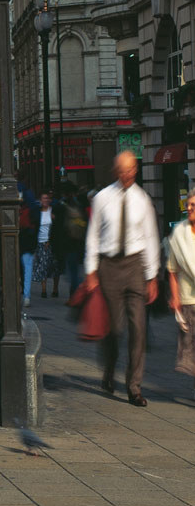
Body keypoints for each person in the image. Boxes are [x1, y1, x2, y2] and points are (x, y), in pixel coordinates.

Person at [84, 151, 162, 407]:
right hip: (109, 266)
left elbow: (151, 237)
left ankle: (134, 387)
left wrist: (152, 276)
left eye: (131, 170)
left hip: (135, 266)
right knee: (115, 329)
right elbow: (93, 235)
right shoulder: (102, 198)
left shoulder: (143, 200)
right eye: (123, 171)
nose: (128, 175)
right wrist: (91, 271)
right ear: (115, 171)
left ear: (135, 170)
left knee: (138, 328)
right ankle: (109, 371)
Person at [167, 193, 195, 393]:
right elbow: (172, 269)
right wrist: (175, 296)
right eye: (189, 204)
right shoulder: (179, 232)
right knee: (192, 350)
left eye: (194, 205)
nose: (190, 208)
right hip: (189, 299)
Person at [32, 191, 63, 300]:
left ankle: (55, 289)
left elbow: (58, 227)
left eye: (47, 198)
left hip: (52, 243)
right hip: (40, 242)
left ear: (50, 200)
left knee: (55, 266)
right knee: (43, 266)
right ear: (40, 201)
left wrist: (55, 219)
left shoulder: (53, 212)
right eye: (43, 198)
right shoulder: (38, 212)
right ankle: (44, 290)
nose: (45, 200)